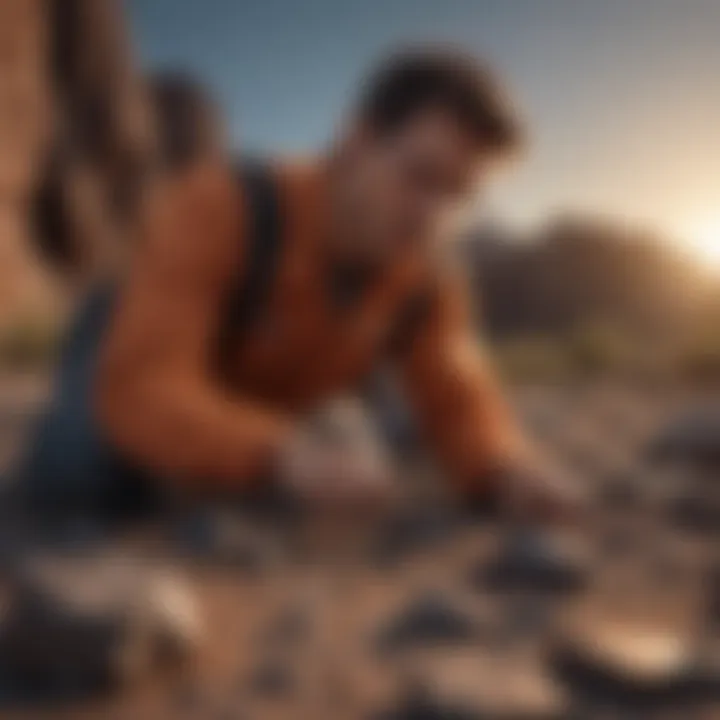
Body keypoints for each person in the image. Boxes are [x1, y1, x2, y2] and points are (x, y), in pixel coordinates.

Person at [23, 47, 578, 520]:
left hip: (274, 387)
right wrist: (279, 453)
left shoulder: (427, 278)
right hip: (141, 342)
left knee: (402, 436)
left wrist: (504, 470)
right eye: (421, 177)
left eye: (458, 194)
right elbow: (144, 383)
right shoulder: (220, 204)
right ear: (358, 141)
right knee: (79, 474)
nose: (433, 214)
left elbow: (458, 398)